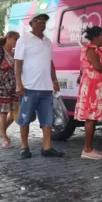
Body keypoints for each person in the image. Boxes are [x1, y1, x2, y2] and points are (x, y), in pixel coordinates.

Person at [14, 14, 63, 159]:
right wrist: (18, 83)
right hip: (29, 86)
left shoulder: (47, 41)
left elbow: (50, 63)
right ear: (31, 23)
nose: (42, 24)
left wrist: (54, 81)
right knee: (25, 118)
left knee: (47, 120)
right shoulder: (24, 40)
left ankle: (47, 147)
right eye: (39, 21)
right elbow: (18, 62)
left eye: (44, 21)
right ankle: (24, 147)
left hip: (46, 87)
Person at [75, 26, 102, 160]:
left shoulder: (96, 50)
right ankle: (87, 149)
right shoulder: (91, 49)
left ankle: (89, 147)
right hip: (93, 87)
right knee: (91, 118)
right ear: (95, 37)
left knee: (92, 118)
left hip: (96, 87)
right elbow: (97, 66)